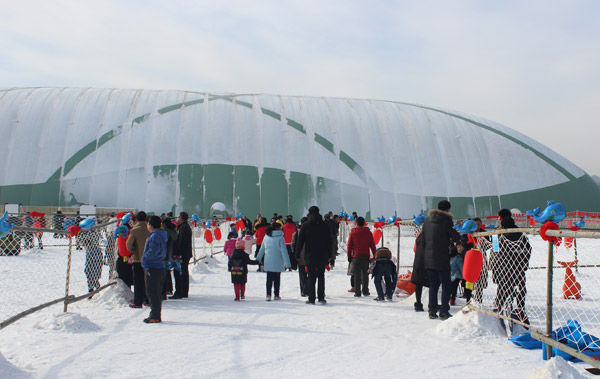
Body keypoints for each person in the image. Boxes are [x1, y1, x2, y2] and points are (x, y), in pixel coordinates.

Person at [421, 200, 460, 320]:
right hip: (442, 257)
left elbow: (423, 240)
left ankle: (432, 311)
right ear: (448, 209)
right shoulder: (446, 220)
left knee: (433, 285)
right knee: (446, 284)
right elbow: (454, 236)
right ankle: (443, 311)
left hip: (428, 257)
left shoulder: (427, 220)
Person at [494, 216, 532, 324]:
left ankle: (500, 306)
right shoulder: (521, 234)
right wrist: (524, 262)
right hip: (519, 267)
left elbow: (496, 250)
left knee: (503, 288)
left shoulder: (499, 234)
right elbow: (528, 249)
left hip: (505, 267)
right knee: (521, 288)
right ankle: (520, 309)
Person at [295, 206, 332, 304]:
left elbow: (300, 241)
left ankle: (311, 298)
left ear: (309, 213)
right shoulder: (324, 225)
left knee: (311, 276)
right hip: (322, 254)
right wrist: (330, 254)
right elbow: (329, 241)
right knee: (321, 276)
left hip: (310, 255)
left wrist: (297, 254)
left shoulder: (306, 225)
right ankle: (321, 297)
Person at [141, 215, 167, 323]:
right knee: (155, 292)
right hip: (159, 265)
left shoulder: (154, 236)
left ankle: (155, 315)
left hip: (153, 266)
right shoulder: (160, 234)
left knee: (152, 292)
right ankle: (155, 314)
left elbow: (153, 251)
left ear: (150, 225)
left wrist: (144, 258)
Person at [256, 223, 291, 301]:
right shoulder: (280, 238)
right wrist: (287, 263)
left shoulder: (266, 237)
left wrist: (258, 259)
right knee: (277, 279)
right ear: (277, 228)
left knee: (269, 279)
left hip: (268, 261)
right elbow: (284, 251)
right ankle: (276, 295)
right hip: (278, 261)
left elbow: (262, 249)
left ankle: (268, 295)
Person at [347, 217, 376, 297]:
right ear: (364, 223)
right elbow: (372, 245)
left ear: (356, 223)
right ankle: (365, 291)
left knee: (356, 275)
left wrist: (349, 255)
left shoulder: (353, 232)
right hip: (365, 257)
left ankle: (357, 292)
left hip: (356, 256)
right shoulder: (368, 233)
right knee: (365, 274)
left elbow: (350, 245)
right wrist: (375, 254)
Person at [126, 212, 150, 308]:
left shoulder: (134, 230)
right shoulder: (150, 229)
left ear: (136, 220)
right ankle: (148, 300)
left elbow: (128, 245)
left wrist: (133, 250)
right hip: (149, 259)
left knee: (138, 281)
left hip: (137, 259)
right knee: (147, 280)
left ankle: (138, 302)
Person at [172, 211, 192, 299]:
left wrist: (177, 253)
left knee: (180, 272)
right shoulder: (184, 227)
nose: (177, 219)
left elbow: (181, 241)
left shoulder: (183, 228)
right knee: (183, 271)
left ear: (182, 218)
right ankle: (183, 291)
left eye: (179, 217)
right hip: (186, 253)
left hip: (183, 253)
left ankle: (180, 291)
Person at [450, 235, 473, 305]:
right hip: (458, 274)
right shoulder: (459, 258)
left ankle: (453, 298)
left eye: (460, 247)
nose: (459, 249)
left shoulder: (456, 256)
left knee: (454, 287)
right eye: (458, 247)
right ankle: (467, 299)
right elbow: (462, 268)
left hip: (454, 275)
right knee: (459, 286)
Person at [82, 226, 103, 295]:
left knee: (90, 280)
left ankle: (91, 291)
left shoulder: (89, 251)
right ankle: (96, 288)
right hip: (97, 268)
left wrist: (86, 269)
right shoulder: (97, 249)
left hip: (91, 268)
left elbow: (88, 261)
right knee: (95, 279)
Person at [411, 232, 428, 312]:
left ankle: (418, 303)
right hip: (428, 262)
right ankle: (432, 303)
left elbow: (415, 249)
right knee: (433, 283)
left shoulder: (419, 235)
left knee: (419, 284)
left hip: (418, 261)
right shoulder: (433, 234)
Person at [291, 217, 308, 297]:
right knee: (310, 274)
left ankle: (303, 290)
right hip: (309, 256)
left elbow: (293, 245)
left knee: (302, 275)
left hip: (300, 257)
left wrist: (296, 255)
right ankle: (307, 289)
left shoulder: (296, 233)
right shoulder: (310, 232)